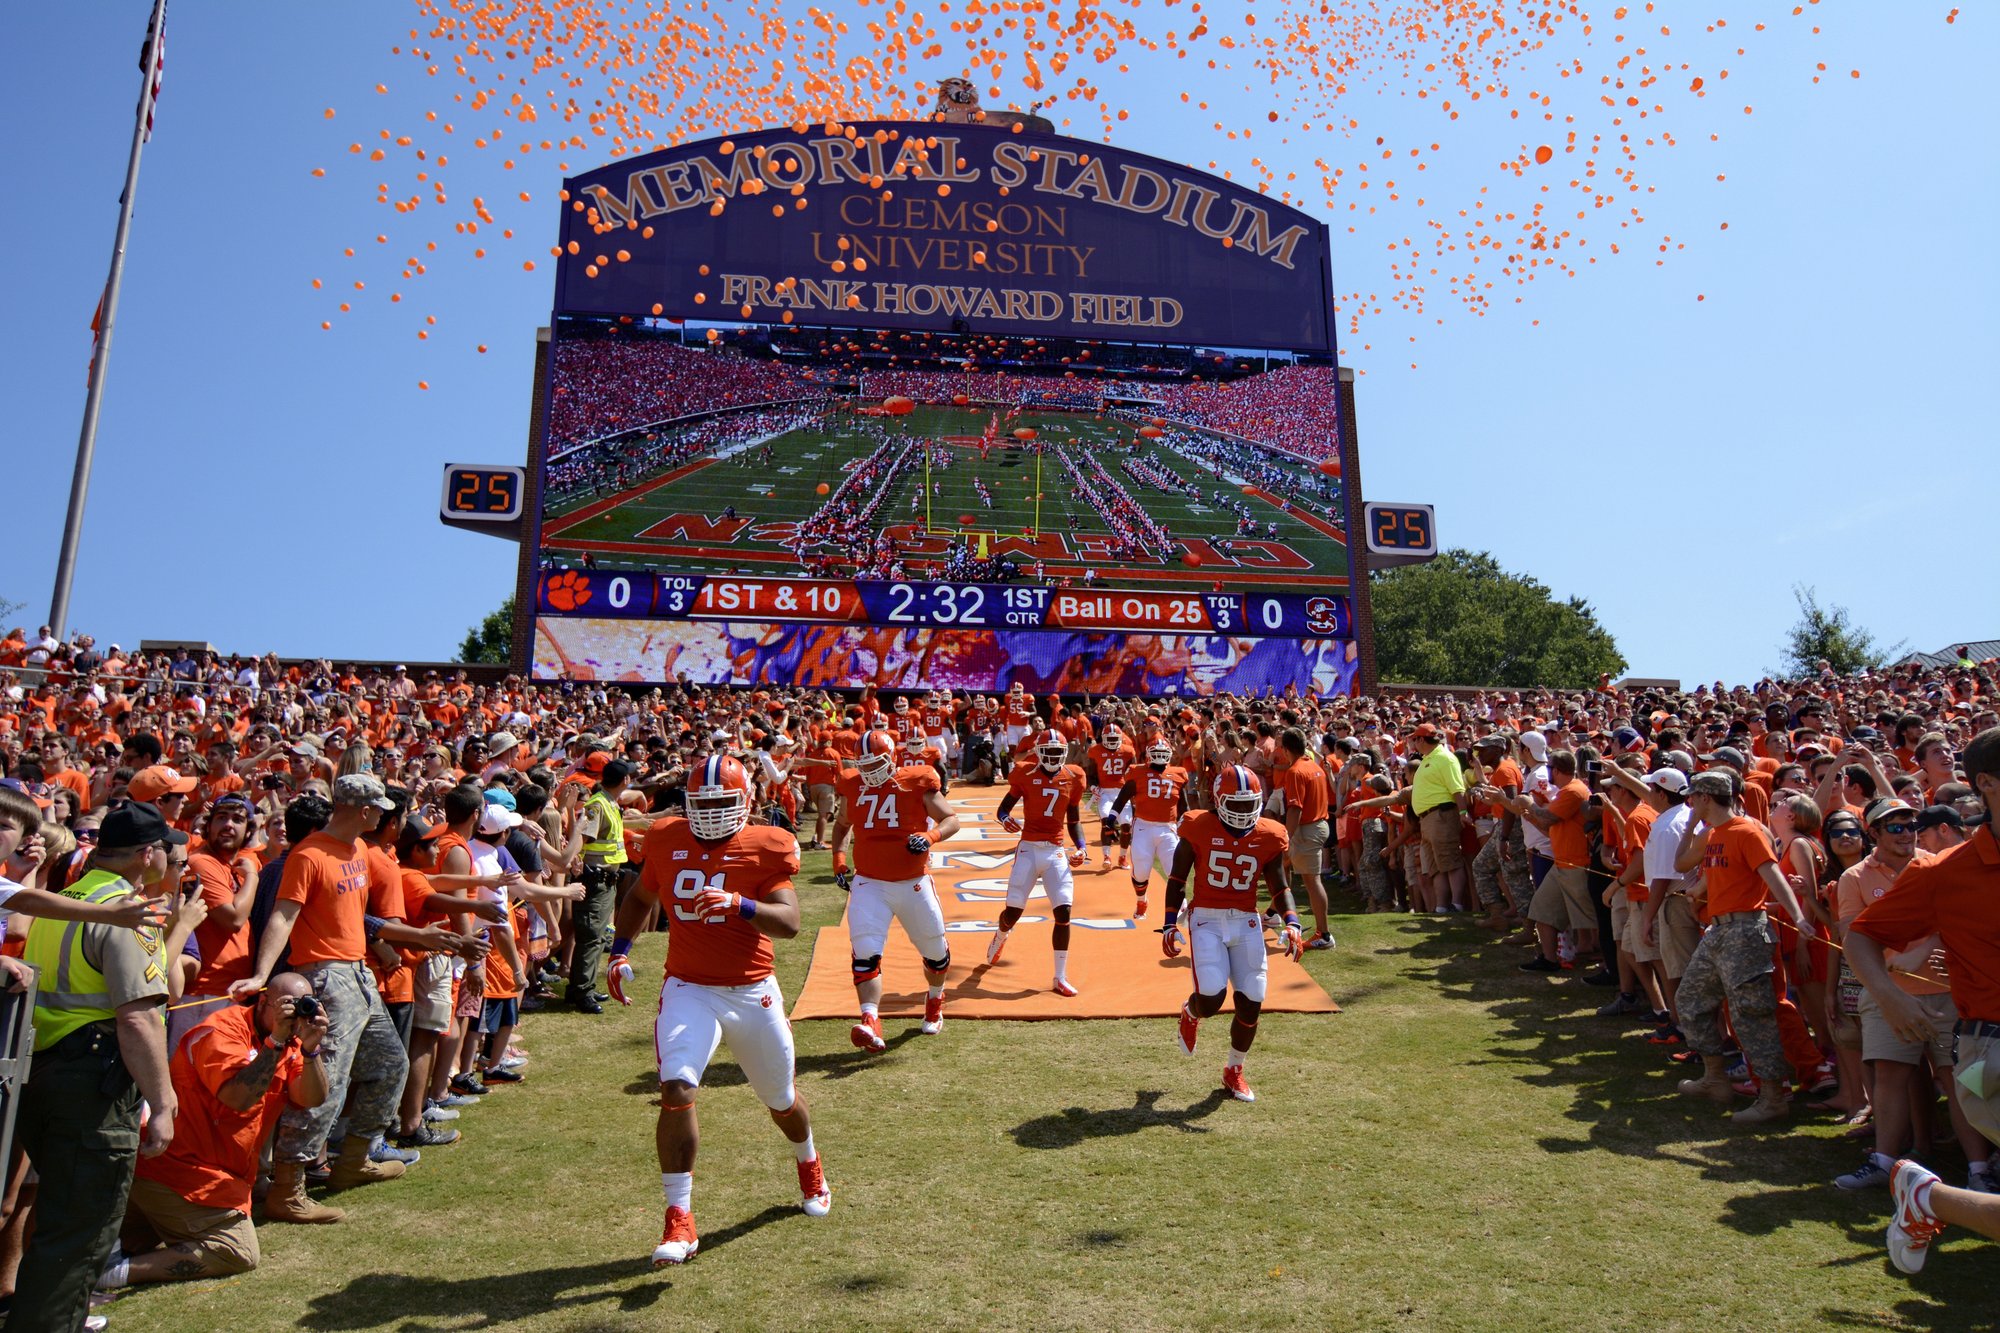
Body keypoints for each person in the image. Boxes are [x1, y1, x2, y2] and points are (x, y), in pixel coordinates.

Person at [603, 754, 831, 1266]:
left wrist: (740, 906)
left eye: (722, 803)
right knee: (676, 1087)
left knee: (782, 1100)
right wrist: (619, 950)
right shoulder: (665, 837)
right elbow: (641, 898)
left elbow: (790, 921)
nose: (710, 814)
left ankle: (808, 1159)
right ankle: (679, 1217)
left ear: (746, 802)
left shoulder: (763, 844)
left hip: (752, 990)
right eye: (701, 804)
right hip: (689, 987)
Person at [10, 801, 178, 1333]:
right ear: (148, 854)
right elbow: (139, 1020)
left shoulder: (62, 902)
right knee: (83, 1227)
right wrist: (165, 1101)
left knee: (62, 1218)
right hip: (93, 1083)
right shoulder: (129, 911)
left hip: (44, 1072)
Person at [228, 773, 414, 1214]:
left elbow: (354, 917)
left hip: (357, 973)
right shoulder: (309, 854)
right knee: (323, 1082)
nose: (384, 815)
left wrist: (380, 947)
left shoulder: (356, 850)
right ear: (365, 811)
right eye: (379, 809)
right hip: (327, 976)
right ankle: (288, 1188)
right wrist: (260, 976)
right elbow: (282, 916)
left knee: (390, 1065)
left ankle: (353, 1160)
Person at [102, 974, 334, 1282]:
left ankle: (117, 1251)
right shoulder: (220, 1030)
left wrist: (311, 1050)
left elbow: (311, 1098)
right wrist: (275, 1041)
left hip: (216, 1177)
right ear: (263, 1002)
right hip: (176, 1171)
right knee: (236, 1251)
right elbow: (238, 1099)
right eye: (287, 1005)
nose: (295, 1015)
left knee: (135, 1239)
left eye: (303, 1007)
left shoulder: (290, 1042)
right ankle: (114, 1274)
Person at [1671, 770, 1815, 1126]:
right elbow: (1681, 863)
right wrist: (1691, 824)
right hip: (1719, 931)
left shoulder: (1746, 831)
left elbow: (1773, 876)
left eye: (1694, 798)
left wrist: (1797, 917)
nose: (1690, 803)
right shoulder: (1714, 833)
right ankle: (1715, 1077)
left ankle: (1772, 1096)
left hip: (1746, 931)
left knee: (1752, 1015)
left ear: (1706, 797)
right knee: (1690, 999)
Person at [1160, 765, 1304, 1103]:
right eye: (1236, 804)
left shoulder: (1270, 834)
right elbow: (1178, 879)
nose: (1243, 811)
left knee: (1252, 1001)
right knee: (1210, 998)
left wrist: (1293, 922)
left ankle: (1234, 1070)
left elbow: (1279, 885)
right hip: (1206, 919)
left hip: (1245, 920)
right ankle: (1191, 1012)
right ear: (1218, 800)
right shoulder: (1198, 825)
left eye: (1249, 803)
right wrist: (1169, 922)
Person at [832, 730, 961, 1049]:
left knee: (936, 955)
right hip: (869, 882)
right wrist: (838, 859)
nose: (869, 772)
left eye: (875, 764)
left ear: (890, 759)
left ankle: (935, 1000)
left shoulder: (917, 781)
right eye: (863, 765)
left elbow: (951, 819)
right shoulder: (853, 784)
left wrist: (930, 838)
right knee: (864, 955)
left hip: (912, 883)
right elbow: (841, 825)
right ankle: (870, 1020)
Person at [988, 728, 1090, 996]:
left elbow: (1075, 821)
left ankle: (1060, 976)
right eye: (1050, 752)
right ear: (1039, 753)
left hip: (1055, 851)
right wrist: (1005, 819)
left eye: (1059, 752)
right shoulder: (1025, 773)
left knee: (1064, 913)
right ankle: (1001, 934)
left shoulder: (1073, 776)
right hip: (1029, 849)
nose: (1054, 757)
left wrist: (1081, 847)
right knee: (1013, 913)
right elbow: (1003, 808)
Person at [1108, 736, 1189, 919]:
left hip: (1168, 828)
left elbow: (1183, 806)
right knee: (1142, 871)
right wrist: (1112, 817)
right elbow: (1123, 797)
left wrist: (1188, 825)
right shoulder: (1137, 772)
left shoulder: (1178, 773)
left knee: (1175, 870)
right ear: (1148, 755)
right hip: (1143, 827)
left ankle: (1183, 908)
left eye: (1163, 753)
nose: (1160, 757)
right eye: (1156, 753)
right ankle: (1142, 900)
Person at [1084, 723, 1137, 869]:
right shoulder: (1095, 750)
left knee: (1126, 826)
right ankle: (1106, 856)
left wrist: (1134, 792)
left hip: (1122, 792)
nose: (1113, 741)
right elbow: (1091, 772)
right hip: (1105, 792)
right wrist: (1093, 785)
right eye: (1110, 738)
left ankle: (1122, 857)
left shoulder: (1128, 751)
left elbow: (1134, 774)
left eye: (1115, 738)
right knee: (1107, 822)